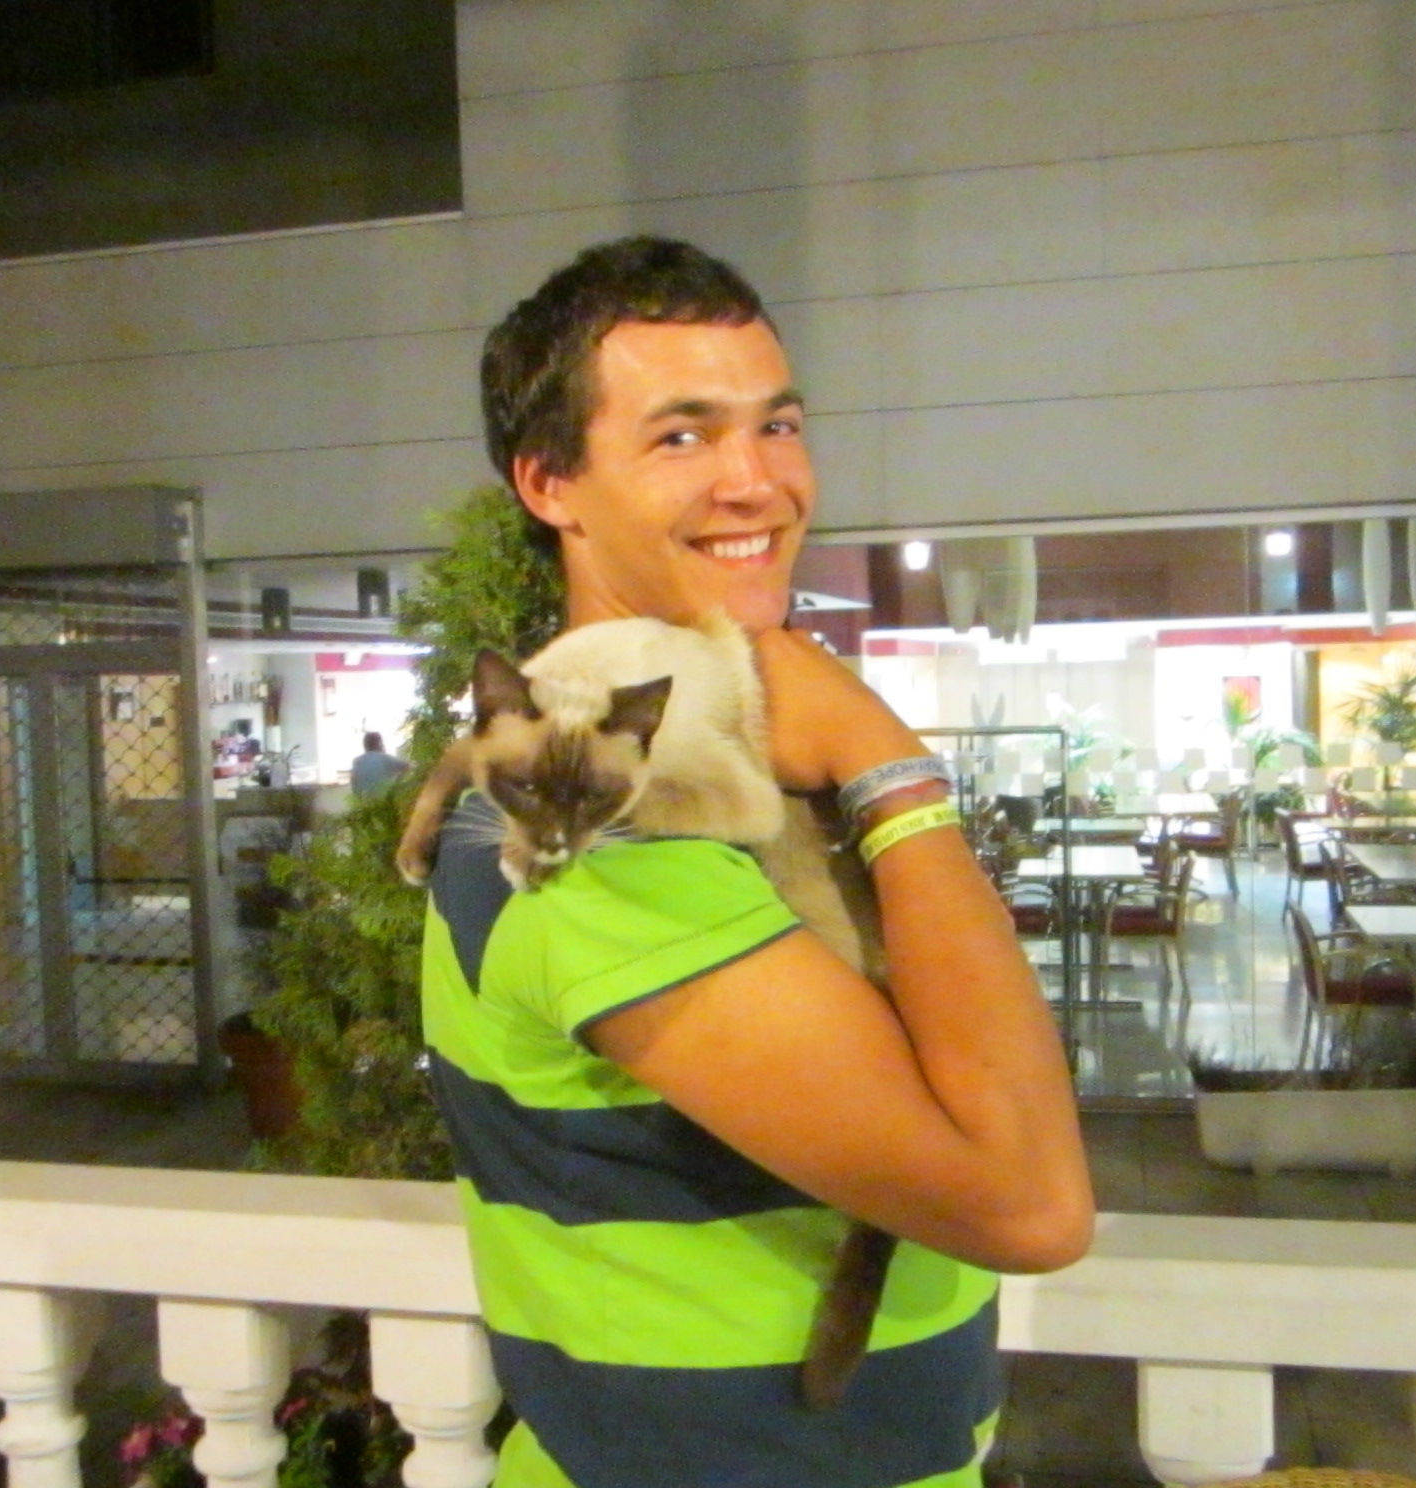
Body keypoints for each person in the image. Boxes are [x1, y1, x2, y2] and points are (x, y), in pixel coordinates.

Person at [419, 236, 1093, 1488]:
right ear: (550, 484)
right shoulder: (598, 836)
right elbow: (1031, 1205)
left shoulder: (727, 765)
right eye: (681, 436)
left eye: (776, 425)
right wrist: (887, 766)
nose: (757, 482)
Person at [349, 731, 407, 797]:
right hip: (385, 799)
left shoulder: (357, 761)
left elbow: (354, 785)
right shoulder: (384, 758)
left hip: (363, 801)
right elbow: (408, 766)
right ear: (379, 744)